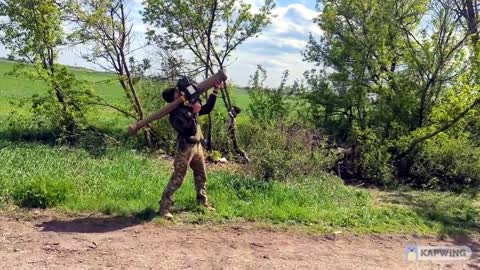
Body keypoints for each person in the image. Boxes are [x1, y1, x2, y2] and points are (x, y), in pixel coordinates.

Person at [159, 78, 223, 220]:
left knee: (201, 175)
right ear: (172, 98)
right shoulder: (175, 115)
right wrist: (194, 112)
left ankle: (202, 203)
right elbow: (187, 129)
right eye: (177, 93)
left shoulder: (186, 107)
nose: (180, 93)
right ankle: (164, 207)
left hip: (197, 146)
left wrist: (215, 90)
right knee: (178, 178)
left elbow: (207, 109)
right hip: (185, 148)